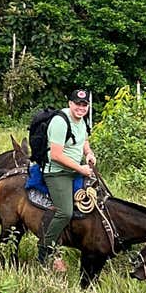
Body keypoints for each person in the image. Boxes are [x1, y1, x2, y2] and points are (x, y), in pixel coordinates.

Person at [38, 88, 97, 272]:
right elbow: (56, 155)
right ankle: (45, 248)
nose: (81, 107)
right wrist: (81, 169)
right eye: (77, 104)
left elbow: (83, 140)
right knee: (65, 212)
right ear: (70, 103)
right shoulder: (60, 122)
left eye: (84, 104)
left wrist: (88, 153)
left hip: (76, 169)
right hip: (57, 172)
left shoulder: (82, 120)